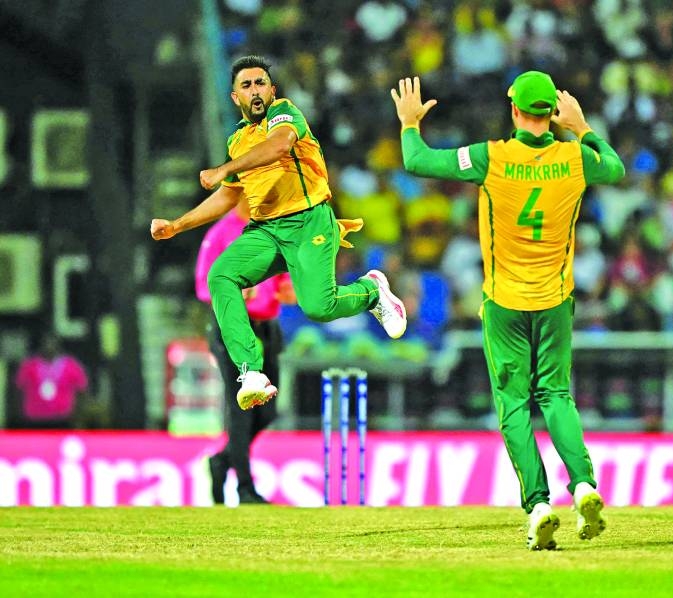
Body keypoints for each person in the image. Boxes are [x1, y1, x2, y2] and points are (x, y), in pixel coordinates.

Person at [390, 73, 625, 550]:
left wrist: (410, 123)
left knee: (514, 404)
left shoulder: (489, 157)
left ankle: (538, 504)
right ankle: (583, 485)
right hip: (555, 300)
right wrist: (583, 128)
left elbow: (415, 161)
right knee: (557, 395)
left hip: (504, 304)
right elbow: (616, 169)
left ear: (514, 110)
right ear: (550, 114)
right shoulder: (575, 158)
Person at [150, 55, 407, 410]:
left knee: (318, 307)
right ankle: (250, 371)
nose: (254, 90)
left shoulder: (284, 114)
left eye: (260, 83)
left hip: (309, 221)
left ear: (272, 90)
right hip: (267, 229)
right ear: (234, 97)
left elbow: (279, 146)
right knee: (221, 275)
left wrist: (223, 168)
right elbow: (228, 195)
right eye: (246, 85)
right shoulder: (237, 141)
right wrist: (177, 225)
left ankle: (371, 291)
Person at [197, 198, 290, 505]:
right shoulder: (221, 233)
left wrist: (296, 287)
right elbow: (202, 286)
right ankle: (245, 488)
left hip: (267, 327)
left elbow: (285, 282)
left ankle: (223, 461)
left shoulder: (271, 229)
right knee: (241, 411)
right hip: (234, 328)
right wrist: (233, 291)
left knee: (268, 410)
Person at [14, 334, 90, 429]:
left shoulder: (71, 365)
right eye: (46, 343)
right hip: (34, 419)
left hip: (63, 419)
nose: (49, 346)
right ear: (41, 345)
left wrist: (78, 416)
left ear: (58, 346)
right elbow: (18, 390)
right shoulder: (29, 365)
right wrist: (19, 415)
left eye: (52, 343)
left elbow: (82, 391)